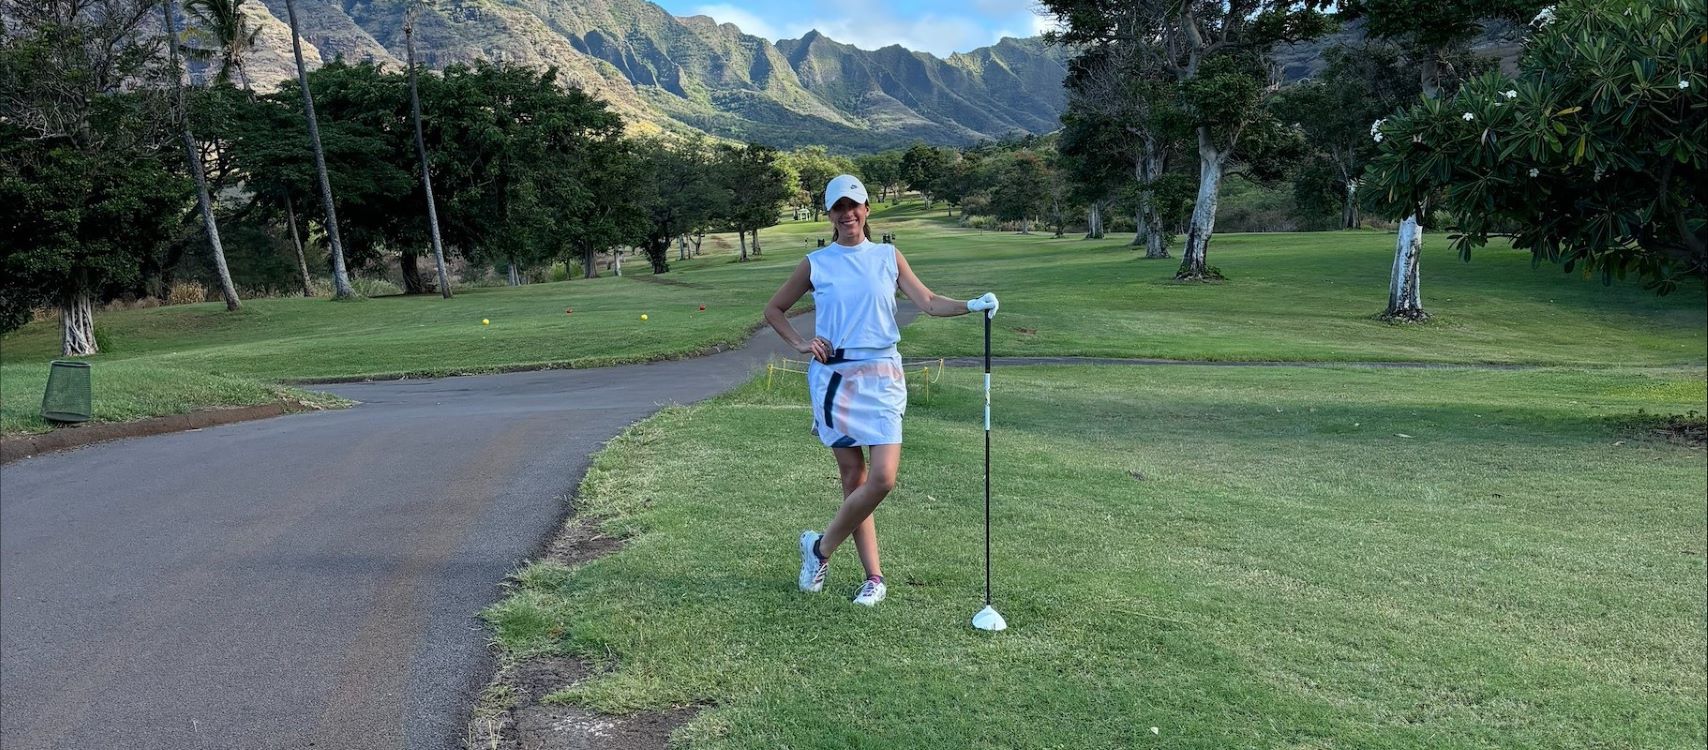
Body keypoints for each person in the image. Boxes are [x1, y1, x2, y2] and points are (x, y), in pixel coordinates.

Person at [763, 174, 998, 607]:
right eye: (838, 208)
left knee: (883, 477)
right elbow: (774, 309)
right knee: (854, 478)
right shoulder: (817, 263)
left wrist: (971, 305)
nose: (847, 214)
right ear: (830, 215)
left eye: (854, 205)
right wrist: (800, 342)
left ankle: (819, 549)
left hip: (884, 373)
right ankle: (874, 578)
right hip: (835, 378)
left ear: (867, 209)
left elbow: (927, 302)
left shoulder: (888, 256)